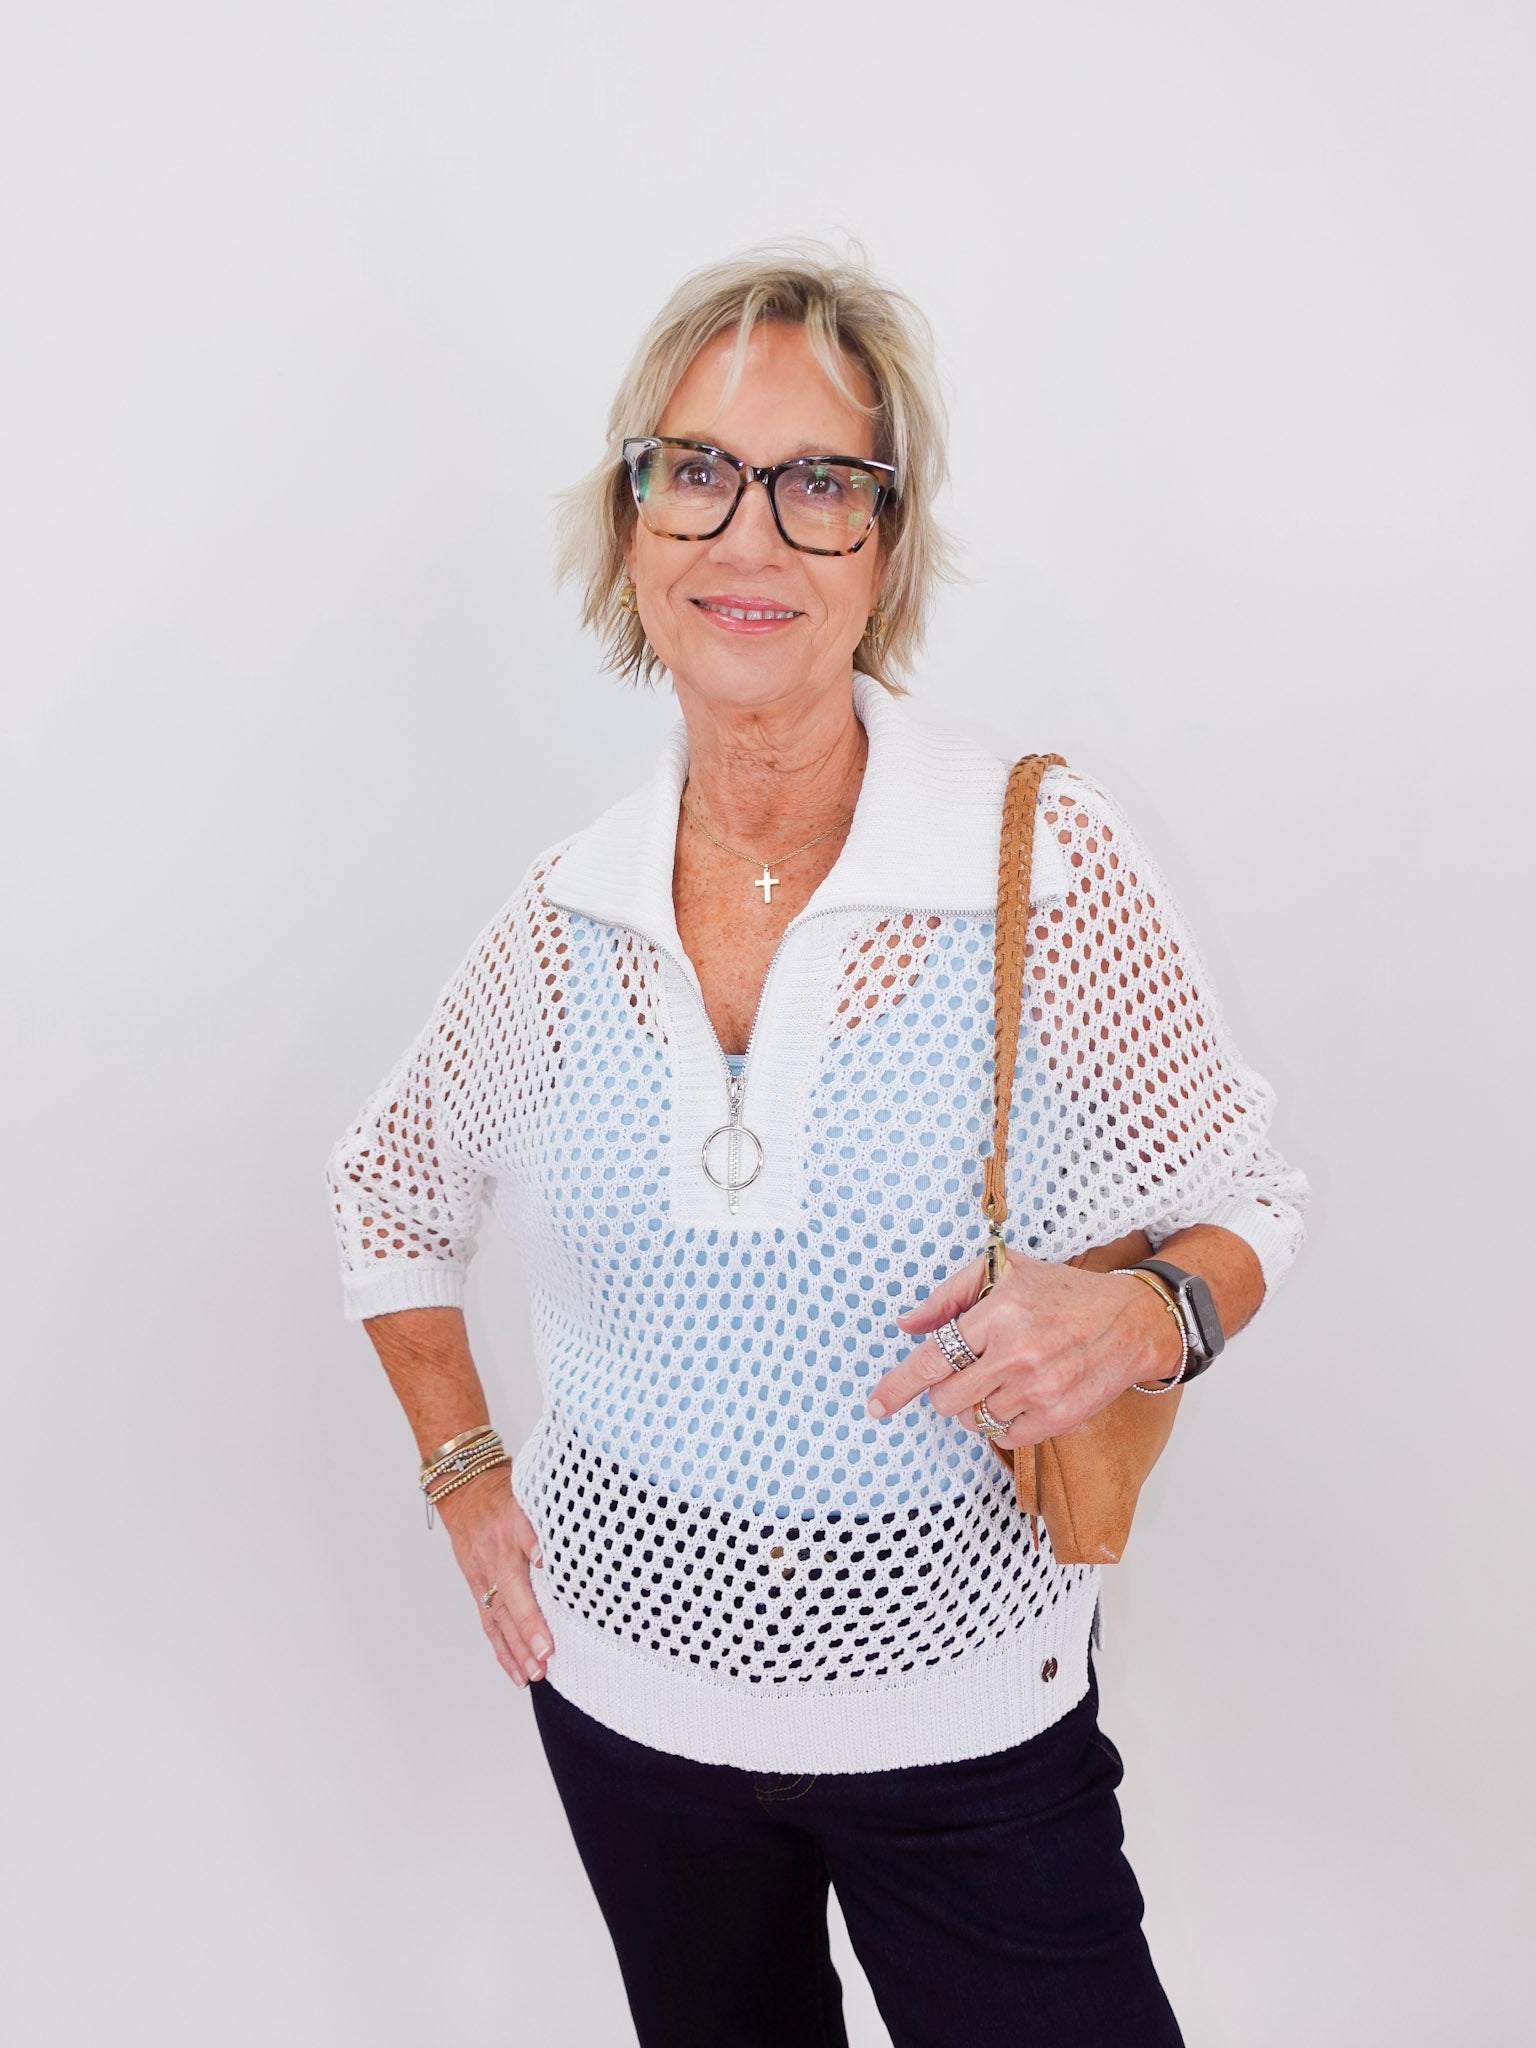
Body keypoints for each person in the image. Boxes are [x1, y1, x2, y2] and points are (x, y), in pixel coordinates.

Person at [326, 243, 1308, 2048]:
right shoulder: (569, 915)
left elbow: (1251, 1202)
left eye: (818, 485)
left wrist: (1146, 1315)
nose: (749, 536)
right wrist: (471, 1477)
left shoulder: (1040, 857)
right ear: (633, 531)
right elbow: (388, 1192)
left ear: (885, 544)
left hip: (965, 1727)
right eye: (693, 471)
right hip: (624, 1714)